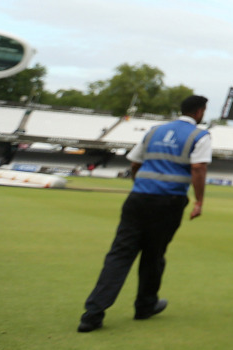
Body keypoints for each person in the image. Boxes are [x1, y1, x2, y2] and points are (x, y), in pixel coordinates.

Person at [78, 95, 211, 332]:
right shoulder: (199, 135)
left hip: (138, 198)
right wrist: (199, 200)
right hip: (168, 201)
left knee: (119, 254)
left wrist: (138, 184)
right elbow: (199, 167)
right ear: (200, 112)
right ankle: (145, 306)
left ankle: (93, 313)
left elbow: (135, 162)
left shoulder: (154, 131)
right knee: (154, 254)